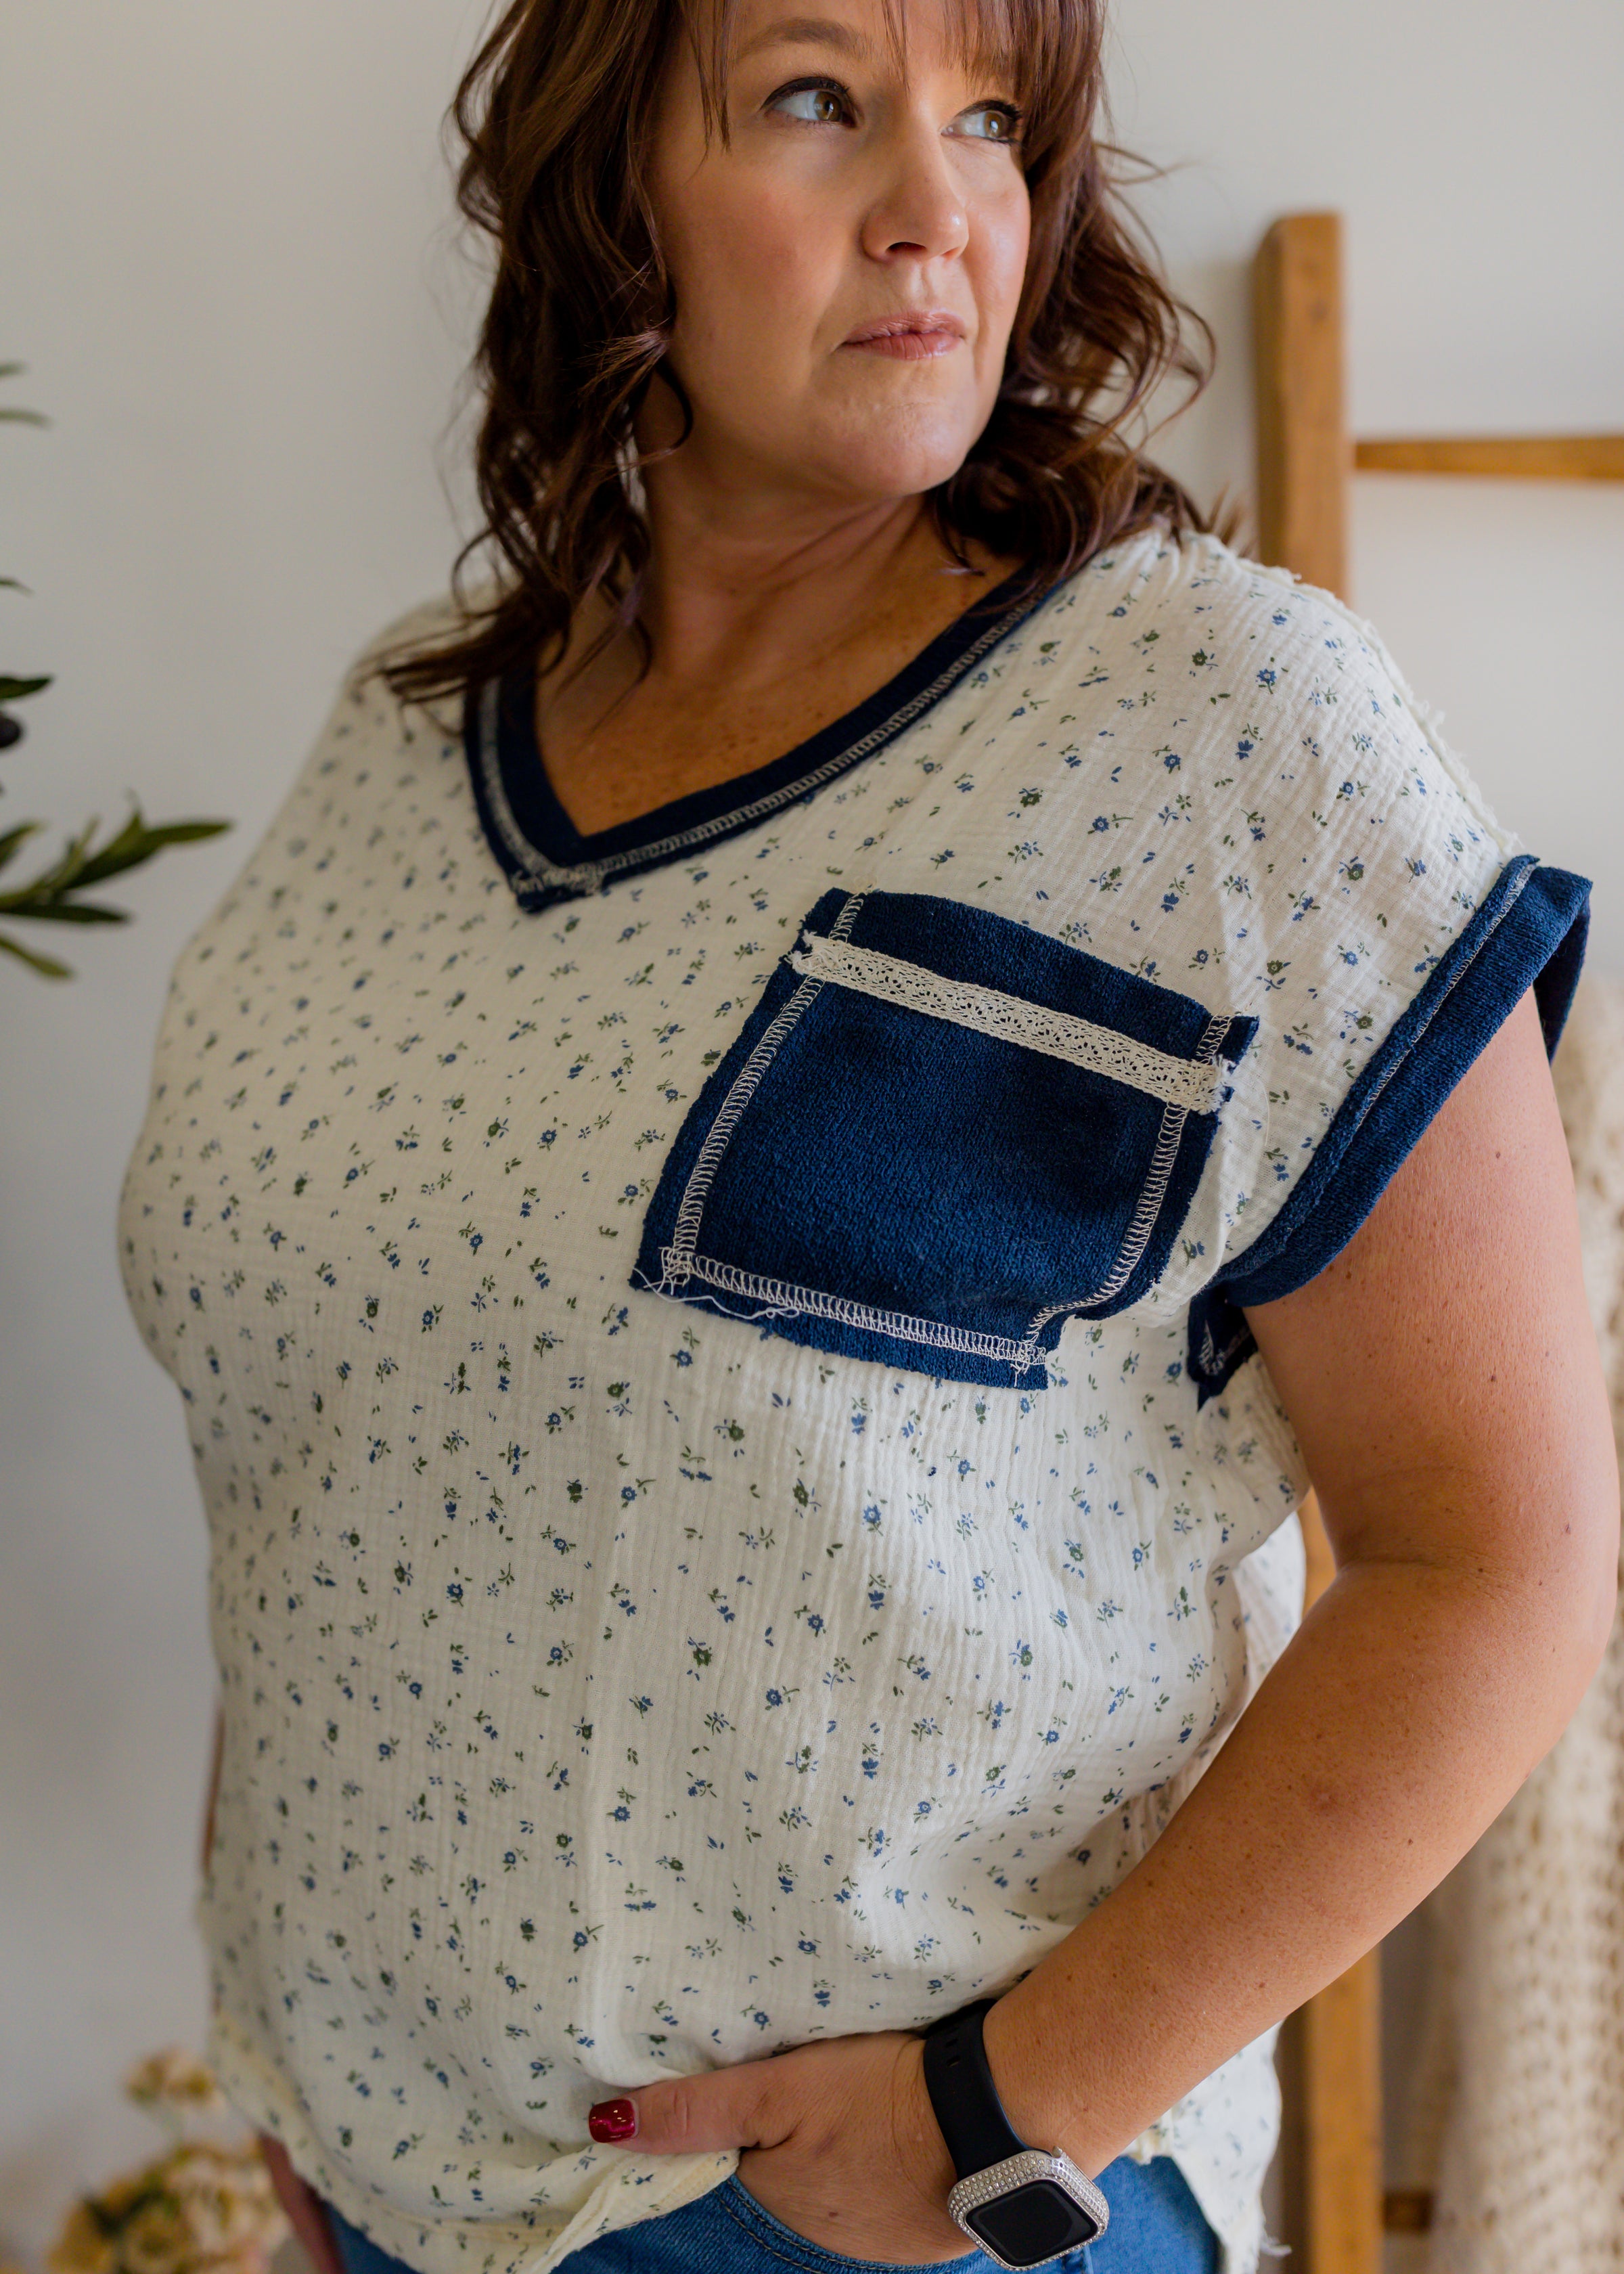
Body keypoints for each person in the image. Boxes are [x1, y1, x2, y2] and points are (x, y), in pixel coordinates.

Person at [118, 1, 1617, 2271]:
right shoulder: (403, 748)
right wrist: (301, 2054)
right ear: (616, 188)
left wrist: (1005, 2117)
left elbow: (1495, 1560)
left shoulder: (1222, 732)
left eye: (995, 120)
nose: (940, 207)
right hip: (375, 2169)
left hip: (875, 2211)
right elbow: (327, 1421)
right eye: (820, 101)